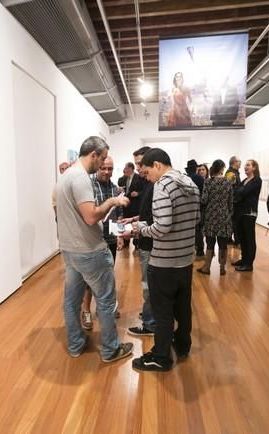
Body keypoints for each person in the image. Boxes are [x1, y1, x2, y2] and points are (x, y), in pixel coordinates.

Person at [55, 136, 133, 362]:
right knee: (106, 301)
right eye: (103, 158)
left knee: (71, 301)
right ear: (94, 155)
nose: (104, 164)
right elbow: (90, 217)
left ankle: (76, 344)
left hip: (70, 250)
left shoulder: (66, 176)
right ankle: (111, 350)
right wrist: (112, 202)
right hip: (89, 250)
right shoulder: (80, 178)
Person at [129, 148, 200, 372]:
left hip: (164, 262)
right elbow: (196, 219)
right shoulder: (191, 183)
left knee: (162, 312)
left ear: (157, 165)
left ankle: (160, 357)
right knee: (183, 307)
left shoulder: (162, 185)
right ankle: (182, 344)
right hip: (185, 260)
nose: (146, 177)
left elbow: (162, 226)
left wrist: (140, 228)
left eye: (147, 172)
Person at [81, 156, 121, 330]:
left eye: (110, 168)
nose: (106, 171)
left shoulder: (115, 189)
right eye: (103, 168)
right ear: (97, 167)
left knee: (108, 275)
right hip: (91, 241)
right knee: (89, 280)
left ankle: (106, 307)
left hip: (110, 240)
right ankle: (86, 311)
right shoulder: (87, 187)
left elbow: (118, 214)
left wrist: (119, 235)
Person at [124, 146, 156, 336]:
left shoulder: (154, 184)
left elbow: (157, 221)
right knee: (148, 284)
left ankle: (150, 324)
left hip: (149, 244)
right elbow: (147, 214)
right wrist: (133, 219)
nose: (138, 168)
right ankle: (149, 315)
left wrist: (136, 229)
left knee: (148, 285)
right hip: (146, 242)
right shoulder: (148, 183)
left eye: (140, 164)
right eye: (136, 164)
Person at [197, 159, 233, 275]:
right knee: (223, 243)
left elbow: (204, 199)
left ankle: (207, 267)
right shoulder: (227, 182)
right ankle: (222, 268)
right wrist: (229, 213)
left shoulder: (208, 182)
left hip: (211, 216)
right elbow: (231, 201)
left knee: (210, 241)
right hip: (224, 216)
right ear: (222, 169)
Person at [232, 159, 262, 271]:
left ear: (254, 167)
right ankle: (244, 259)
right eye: (245, 165)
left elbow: (243, 192)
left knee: (249, 238)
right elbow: (236, 192)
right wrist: (239, 191)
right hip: (240, 212)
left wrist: (239, 191)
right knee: (242, 238)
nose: (245, 167)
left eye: (248, 165)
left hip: (249, 212)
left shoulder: (257, 180)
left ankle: (249, 264)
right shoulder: (245, 180)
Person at [185, 159, 205, 257]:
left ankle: (188, 249)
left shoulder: (185, 178)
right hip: (198, 206)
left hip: (186, 206)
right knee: (197, 229)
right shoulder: (200, 179)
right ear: (196, 168)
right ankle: (200, 250)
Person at [225, 156, 242, 244]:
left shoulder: (235, 172)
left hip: (234, 201)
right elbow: (228, 187)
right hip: (233, 202)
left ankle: (232, 239)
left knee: (234, 221)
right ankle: (232, 239)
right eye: (239, 161)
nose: (240, 163)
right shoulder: (231, 173)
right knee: (233, 221)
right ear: (234, 162)